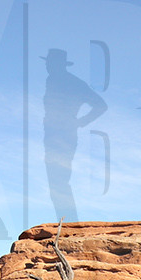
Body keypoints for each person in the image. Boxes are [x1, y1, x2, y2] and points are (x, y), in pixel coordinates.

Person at [41, 48, 107, 223]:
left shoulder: (73, 83)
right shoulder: (51, 80)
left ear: (57, 64)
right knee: (56, 182)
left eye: (49, 63)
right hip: (52, 135)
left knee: (59, 181)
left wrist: (79, 122)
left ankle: (68, 225)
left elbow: (100, 105)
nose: (47, 66)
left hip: (63, 136)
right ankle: (66, 223)